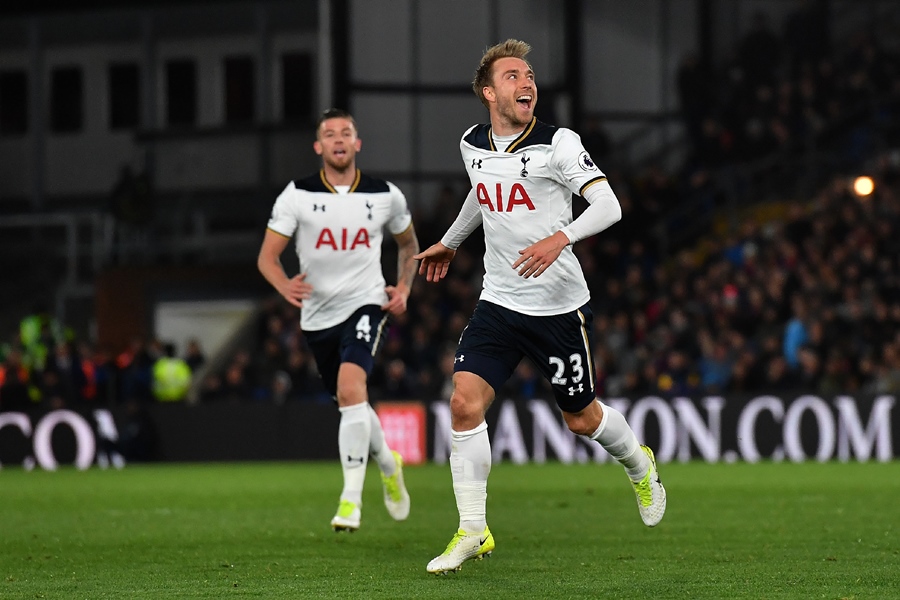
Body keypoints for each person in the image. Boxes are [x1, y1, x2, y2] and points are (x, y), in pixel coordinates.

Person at [414, 39, 666, 574]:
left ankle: (639, 465)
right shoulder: (472, 143)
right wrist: (453, 240)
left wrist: (562, 238)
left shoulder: (559, 144)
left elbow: (609, 205)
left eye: (529, 75)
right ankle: (473, 530)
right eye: (512, 75)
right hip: (500, 301)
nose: (526, 82)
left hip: (558, 307)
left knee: (581, 419)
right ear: (488, 92)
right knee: (463, 404)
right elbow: (481, 193)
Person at [257, 108, 418, 532]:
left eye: (346, 132)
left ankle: (350, 501)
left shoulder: (386, 195)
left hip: (366, 304)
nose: (339, 139)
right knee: (352, 403)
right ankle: (388, 460)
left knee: (351, 388)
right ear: (319, 146)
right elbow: (267, 257)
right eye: (330, 134)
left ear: (357, 142)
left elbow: (409, 245)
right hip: (318, 317)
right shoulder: (297, 195)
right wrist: (283, 285)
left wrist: (403, 288)